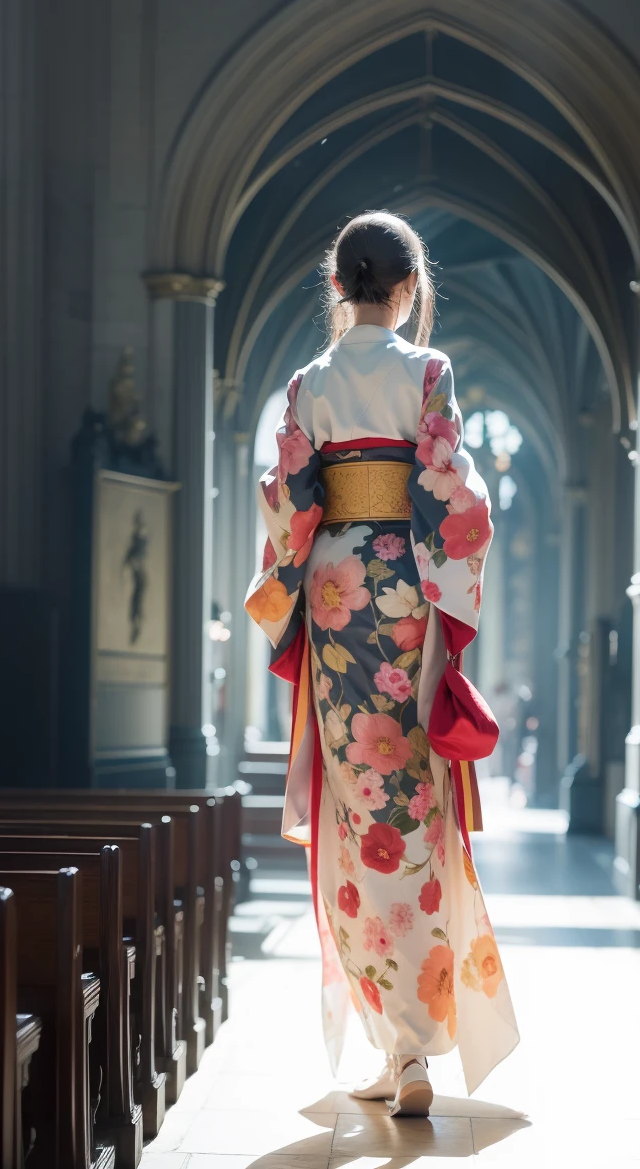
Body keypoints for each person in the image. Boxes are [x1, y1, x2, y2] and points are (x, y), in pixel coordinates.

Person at [245, 211, 519, 1115]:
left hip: (333, 595)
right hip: (407, 586)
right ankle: (412, 1052)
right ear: (407, 288)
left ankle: (390, 1041)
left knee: (352, 800)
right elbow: (454, 493)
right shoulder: (430, 371)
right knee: (416, 796)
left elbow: (289, 502)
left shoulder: (307, 383)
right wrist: (447, 572)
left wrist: (290, 568)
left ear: (337, 285)